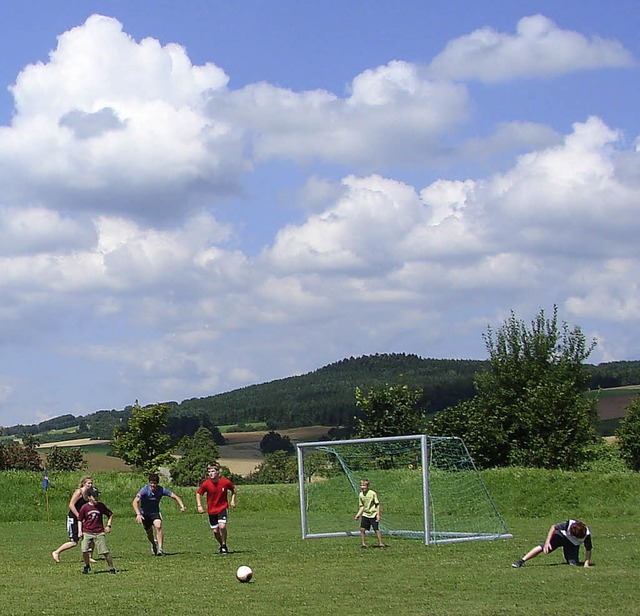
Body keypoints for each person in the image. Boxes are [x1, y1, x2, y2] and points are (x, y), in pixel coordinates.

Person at [132, 473, 187, 556]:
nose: (152, 485)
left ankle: (160, 549)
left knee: (158, 526)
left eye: (154, 483)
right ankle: (153, 544)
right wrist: (138, 514)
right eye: (151, 483)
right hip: (145, 514)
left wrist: (182, 506)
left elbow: (175, 496)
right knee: (149, 533)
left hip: (155, 513)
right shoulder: (144, 490)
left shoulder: (161, 490)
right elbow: (135, 502)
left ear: (157, 483)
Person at [512, 519, 593, 568]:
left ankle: (569, 557)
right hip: (559, 537)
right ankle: (521, 561)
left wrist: (586, 563)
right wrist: (547, 542)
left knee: (573, 564)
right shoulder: (569, 524)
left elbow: (588, 549)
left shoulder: (587, 535)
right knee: (542, 547)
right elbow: (554, 527)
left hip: (572, 544)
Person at [52, 475, 97, 563]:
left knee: (91, 538)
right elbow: (71, 505)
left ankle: (90, 556)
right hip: (73, 518)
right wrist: (78, 516)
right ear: (84, 483)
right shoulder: (78, 492)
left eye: (91, 483)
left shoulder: (89, 493)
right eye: (88, 483)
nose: (90, 485)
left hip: (82, 519)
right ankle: (56, 552)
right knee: (74, 542)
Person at [196, 464, 236, 554]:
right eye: (209, 472)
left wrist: (233, 500)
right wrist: (199, 505)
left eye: (213, 471)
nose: (211, 473)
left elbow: (233, 490)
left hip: (222, 507)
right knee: (215, 531)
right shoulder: (206, 483)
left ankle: (224, 545)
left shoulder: (225, 482)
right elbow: (199, 493)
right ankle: (222, 544)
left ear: (218, 472)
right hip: (211, 510)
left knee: (222, 526)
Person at [77, 487, 116, 574]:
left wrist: (108, 525)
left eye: (97, 496)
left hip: (99, 532)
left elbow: (110, 514)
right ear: (89, 497)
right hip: (87, 532)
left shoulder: (101, 506)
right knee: (84, 550)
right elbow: (80, 519)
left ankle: (111, 567)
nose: (96, 498)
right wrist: (80, 531)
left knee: (104, 551)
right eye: (94, 496)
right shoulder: (85, 507)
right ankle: (87, 565)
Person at [354, 478, 386, 548]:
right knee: (362, 529)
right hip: (365, 514)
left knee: (376, 529)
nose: (362, 487)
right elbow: (362, 506)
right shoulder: (360, 495)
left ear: (367, 486)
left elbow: (377, 504)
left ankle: (381, 543)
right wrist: (358, 515)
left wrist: (378, 514)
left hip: (373, 514)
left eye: (364, 485)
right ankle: (363, 544)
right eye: (361, 485)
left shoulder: (372, 493)